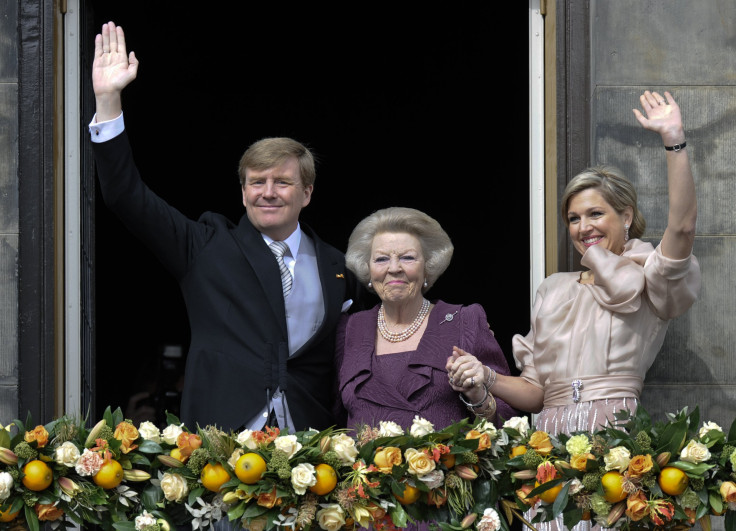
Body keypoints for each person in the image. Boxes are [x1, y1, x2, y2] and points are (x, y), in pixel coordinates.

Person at [89, 21, 364, 435]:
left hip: (311, 448)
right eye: (257, 182)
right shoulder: (206, 246)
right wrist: (108, 100)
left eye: (282, 183)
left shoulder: (338, 267)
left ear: (306, 193)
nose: (267, 193)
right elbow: (126, 196)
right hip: (220, 446)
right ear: (242, 192)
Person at [482, 90, 700, 529]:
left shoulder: (649, 273)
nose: (583, 227)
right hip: (547, 443)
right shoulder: (553, 289)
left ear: (626, 216)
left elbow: (682, 225)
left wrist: (674, 141)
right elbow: (536, 391)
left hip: (615, 440)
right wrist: (486, 378)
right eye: (573, 218)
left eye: (595, 213)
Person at [335, 207, 517, 434]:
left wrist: (478, 395)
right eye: (381, 259)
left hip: (445, 468)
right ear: (368, 269)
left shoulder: (463, 321)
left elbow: (508, 421)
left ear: (427, 267)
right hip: (363, 469)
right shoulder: (350, 328)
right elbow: (335, 419)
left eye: (407, 257)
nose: (394, 269)